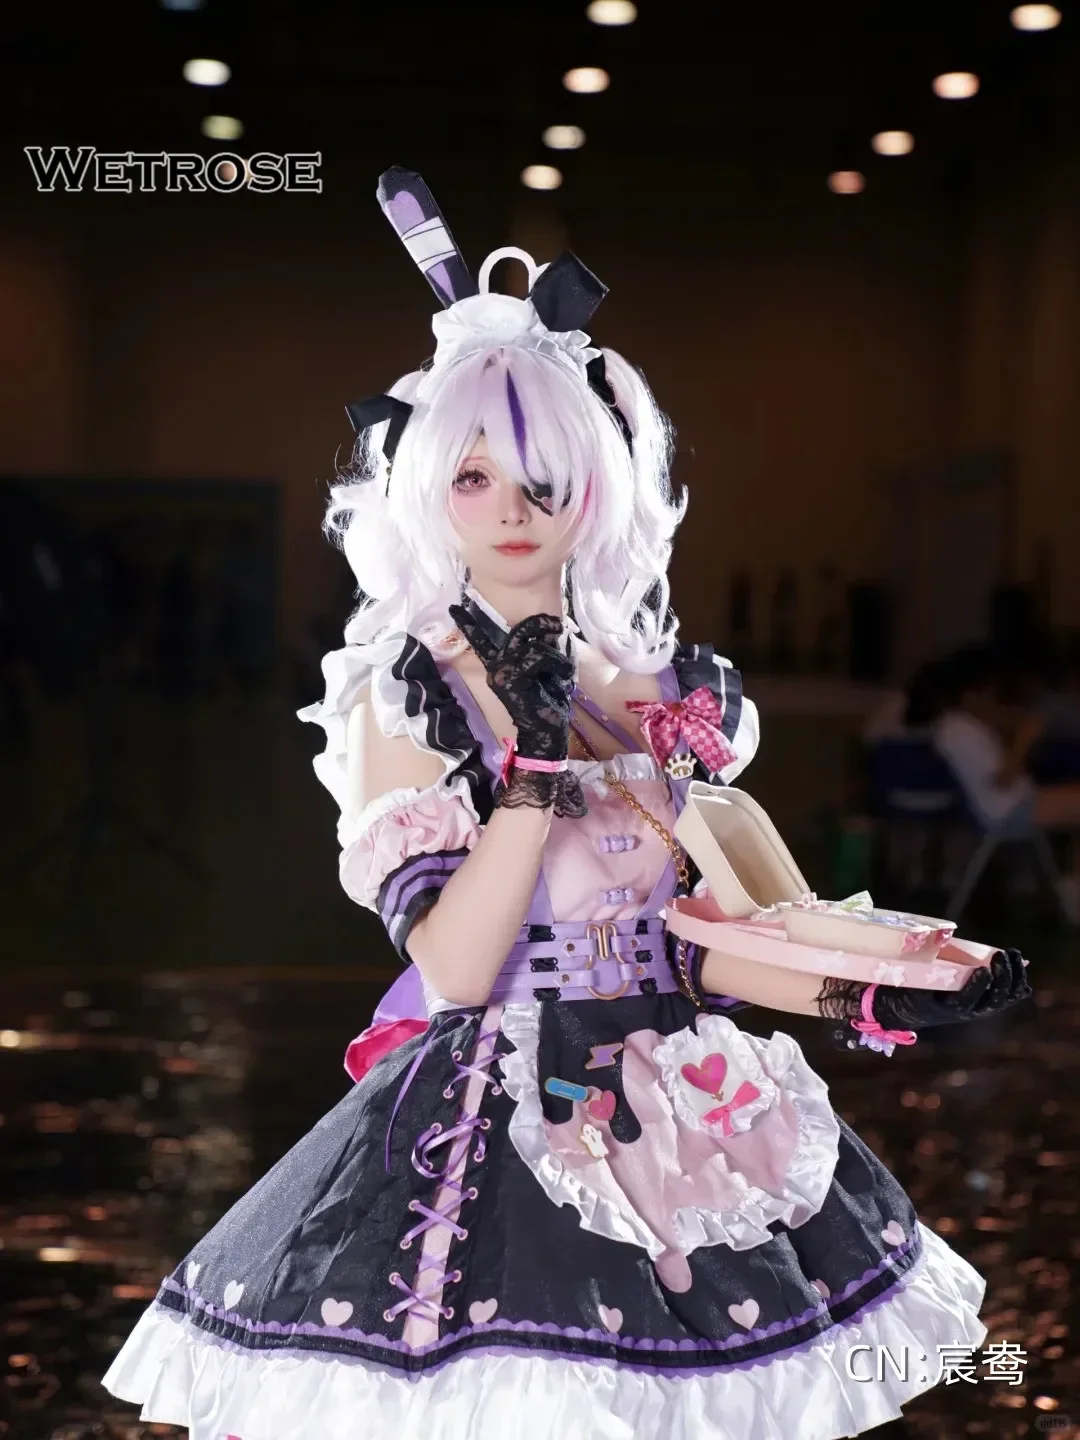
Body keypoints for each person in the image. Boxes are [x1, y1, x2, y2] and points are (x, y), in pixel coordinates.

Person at [101, 168, 1030, 1440]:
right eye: (474, 478)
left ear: (597, 487)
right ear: (424, 487)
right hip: (500, 1133)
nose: (513, 512)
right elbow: (455, 968)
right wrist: (531, 775)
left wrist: (871, 990)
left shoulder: (658, 693)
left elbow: (697, 943)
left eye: (544, 480)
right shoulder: (406, 694)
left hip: (684, 1114)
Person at [931, 644, 1080, 920]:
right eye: (990, 692)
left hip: (1015, 803)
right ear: (971, 693)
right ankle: (1071, 888)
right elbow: (1002, 780)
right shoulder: (959, 730)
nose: (993, 700)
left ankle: (1070, 885)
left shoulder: (962, 725)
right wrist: (1026, 739)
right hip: (1008, 810)